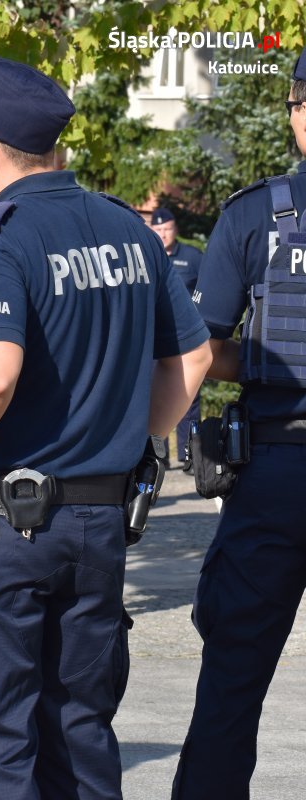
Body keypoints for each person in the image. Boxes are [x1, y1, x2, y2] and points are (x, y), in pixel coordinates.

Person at [0, 52, 211, 799]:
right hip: (97, 524)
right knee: (79, 733)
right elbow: (194, 357)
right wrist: (134, 442)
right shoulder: (125, 228)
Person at [171, 49, 306, 800]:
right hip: (275, 469)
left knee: (231, 687)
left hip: (277, 473)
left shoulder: (259, 213)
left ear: (296, 111)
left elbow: (200, 349)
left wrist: (260, 360)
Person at [149, 206, 204, 470]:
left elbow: (206, 290)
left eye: (166, 229)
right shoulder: (146, 255)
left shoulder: (192, 257)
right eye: (157, 230)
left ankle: (189, 454)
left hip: (183, 340)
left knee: (188, 396)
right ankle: (158, 455)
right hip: (152, 340)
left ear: (175, 229)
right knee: (153, 393)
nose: (162, 234)